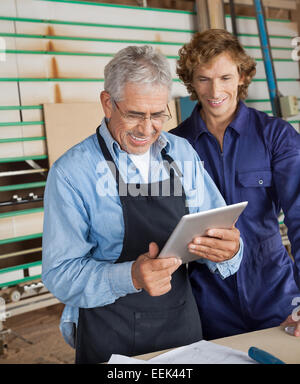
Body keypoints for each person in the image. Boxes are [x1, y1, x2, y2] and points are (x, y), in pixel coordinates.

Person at [42, 45, 243, 364]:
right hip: (111, 337)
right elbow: (60, 274)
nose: (147, 129)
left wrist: (229, 250)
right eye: (135, 114)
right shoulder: (72, 173)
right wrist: (131, 277)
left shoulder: (182, 153)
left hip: (182, 331)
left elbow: (221, 230)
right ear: (108, 103)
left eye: (158, 114)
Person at [171, 29, 300, 340]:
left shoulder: (276, 136)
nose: (215, 90)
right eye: (203, 78)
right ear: (191, 80)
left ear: (242, 77)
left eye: (225, 78)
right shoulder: (174, 145)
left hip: (275, 292)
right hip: (208, 301)